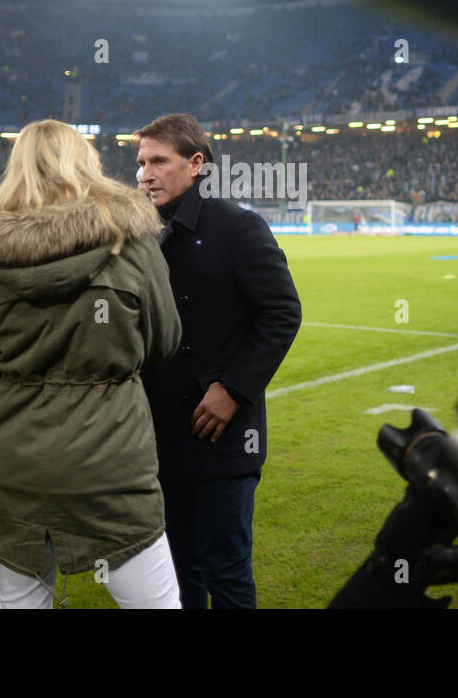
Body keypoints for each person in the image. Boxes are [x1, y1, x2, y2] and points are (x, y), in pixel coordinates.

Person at [0, 119, 184, 609]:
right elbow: (165, 340)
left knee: (21, 601)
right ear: (85, 163)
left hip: (13, 462)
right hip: (110, 463)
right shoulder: (133, 238)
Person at [135, 112, 301, 609]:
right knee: (177, 569)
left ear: (196, 163)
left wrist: (232, 389)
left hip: (224, 435)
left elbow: (282, 313)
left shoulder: (238, 226)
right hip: (158, 433)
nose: (145, 173)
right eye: (141, 162)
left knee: (225, 568)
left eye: (159, 161)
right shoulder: (135, 235)